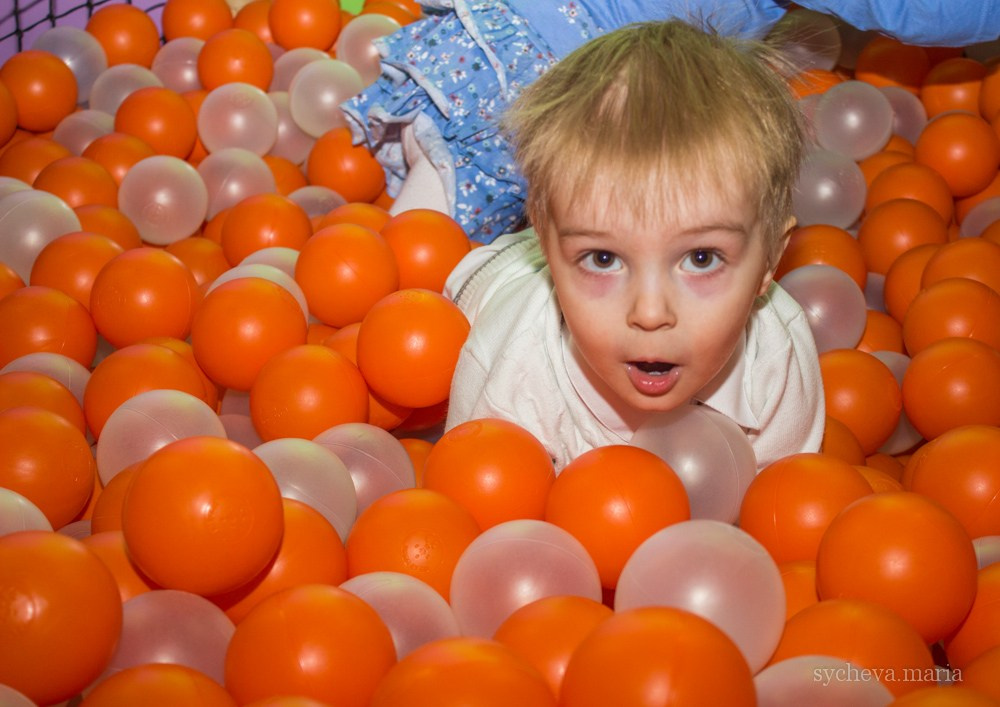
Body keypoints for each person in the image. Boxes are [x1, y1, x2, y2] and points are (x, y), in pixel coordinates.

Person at [440, 18, 821, 472]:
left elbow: (780, 508)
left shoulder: (779, 368)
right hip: (496, 278)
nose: (650, 312)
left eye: (701, 258)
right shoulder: (510, 374)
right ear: (547, 246)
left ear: (770, 261)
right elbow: (471, 502)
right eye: (603, 259)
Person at [342, 0, 1000, 243]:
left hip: (507, 46)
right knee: (421, 257)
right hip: (535, 79)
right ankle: (376, 311)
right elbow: (915, 8)